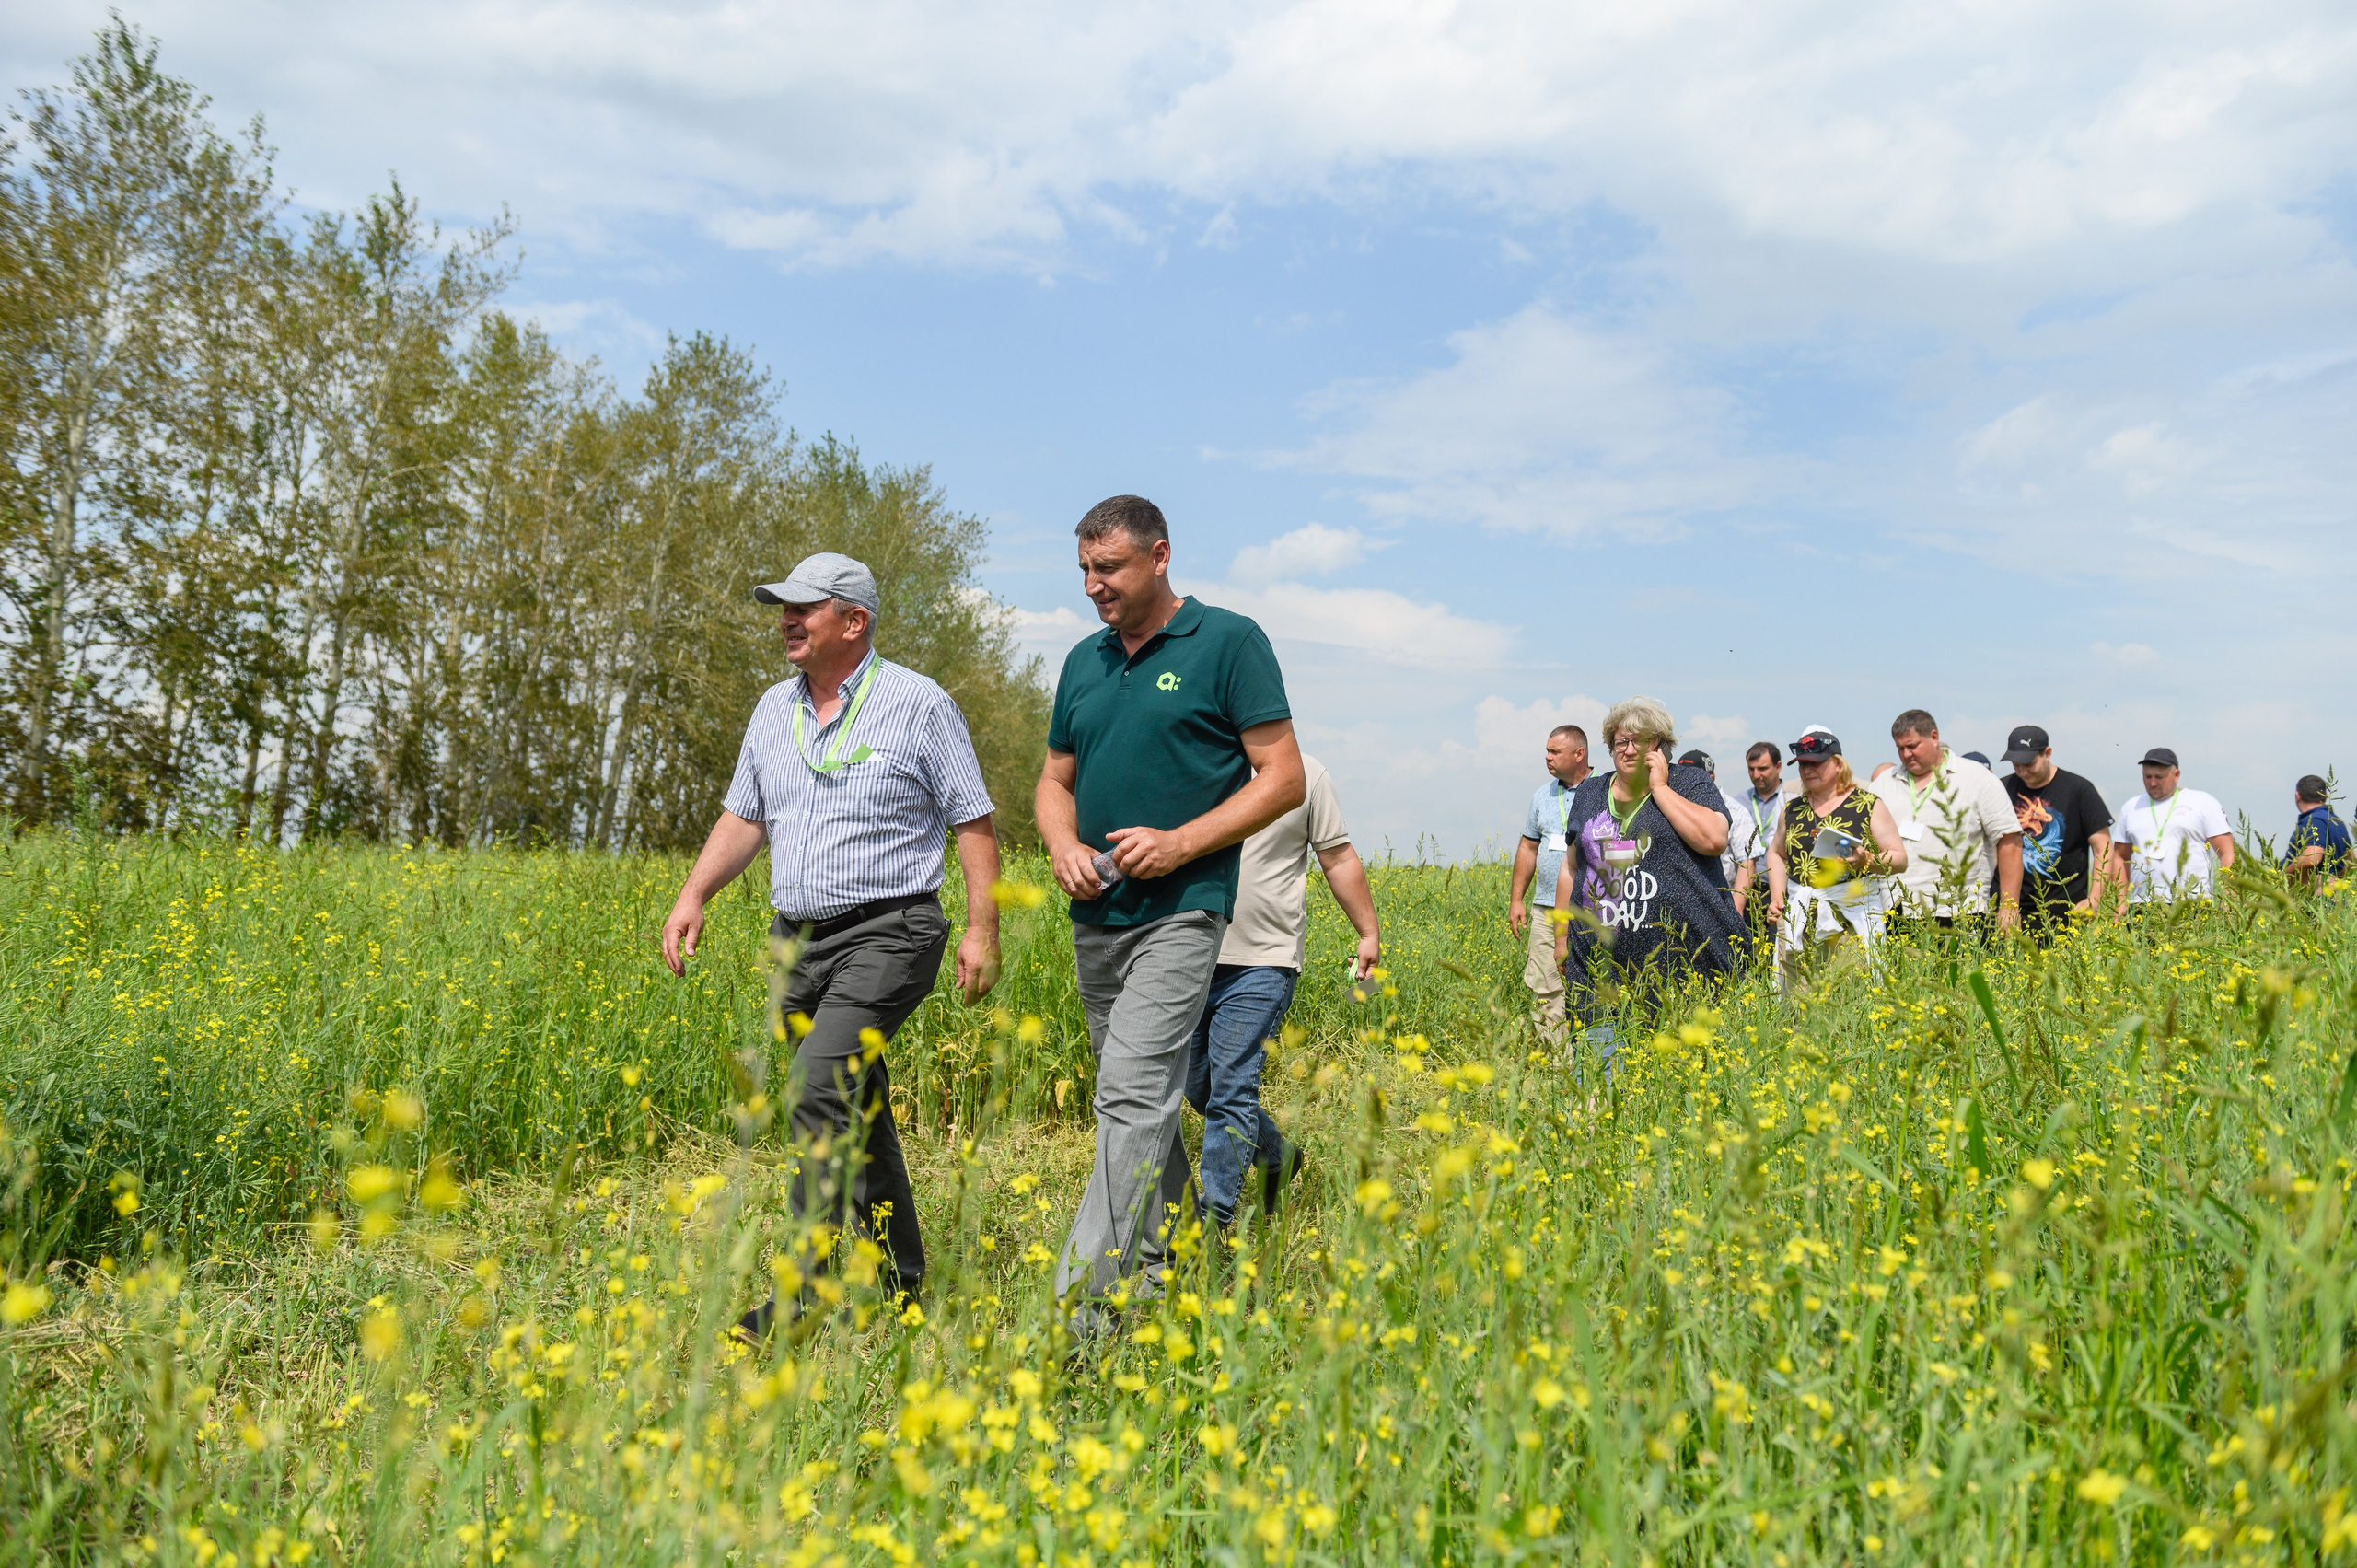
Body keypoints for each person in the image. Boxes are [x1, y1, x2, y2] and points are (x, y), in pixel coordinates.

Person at [658, 552, 1002, 1337]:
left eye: (803, 607)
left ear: (854, 621)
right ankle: (902, 1279)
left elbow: (973, 820)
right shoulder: (771, 711)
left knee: (817, 1089)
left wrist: (981, 930)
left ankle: (800, 1294)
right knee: (858, 1109)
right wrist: (694, 893)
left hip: (893, 930)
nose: (786, 618)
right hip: (798, 942)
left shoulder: (918, 703)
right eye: (781, 605)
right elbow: (747, 817)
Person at [1037, 495, 1306, 1322]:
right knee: (1141, 1100)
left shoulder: (1229, 641)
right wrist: (1061, 848)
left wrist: (1182, 844)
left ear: (1159, 556)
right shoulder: (1084, 660)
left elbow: (1282, 776)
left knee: (1128, 1094)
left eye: (1108, 567)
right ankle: (1182, 1259)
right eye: (1084, 569)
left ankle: (1087, 1309)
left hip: (1184, 907)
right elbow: (1054, 782)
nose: (1093, 586)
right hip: (1097, 917)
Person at [1188, 753, 1378, 1231]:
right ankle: (1277, 1155)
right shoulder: (1192, 757)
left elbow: (1337, 857)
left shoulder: (1306, 775)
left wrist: (1368, 932)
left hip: (1263, 959)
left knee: (1232, 1088)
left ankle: (1212, 1226)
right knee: (1196, 1087)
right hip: (1188, 951)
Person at [1551, 698, 1741, 1073]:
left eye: (1640, 741)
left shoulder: (1689, 782)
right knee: (1600, 1084)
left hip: (1684, 973)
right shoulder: (1590, 793)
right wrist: (1561, 937)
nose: (1629, 749)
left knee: (1675, 1089)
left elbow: (1714, 839)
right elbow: (1571, 867)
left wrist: (1660, 788)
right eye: (1621, 742)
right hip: (1598, 972)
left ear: (1660, 745)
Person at [1765, 726, 1909, 986]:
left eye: (1815, 763)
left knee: (1850, 996)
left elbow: (1899, 858)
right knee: (1796, 1000)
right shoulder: (1792, 809)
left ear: (1838, 765)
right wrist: (1777, 897)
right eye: (1802, 764)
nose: (1807, 770)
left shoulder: (1867, 804)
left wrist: (1869, 861)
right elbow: (1776, 853)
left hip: (1851, 916)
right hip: (1801, 914)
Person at [1871, 709, 2023, 937]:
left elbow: (2009, 839)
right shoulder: (1884, 783)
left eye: (1912, 746)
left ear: (1934, 737)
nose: (1906, 754)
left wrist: (2009, 906)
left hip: (1961, 909)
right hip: (1895, 910)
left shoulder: (1977, 778)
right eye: (1900, 748)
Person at [1507, 726, 1591, 1042]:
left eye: (1555, 752)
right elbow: (1528, 847)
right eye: (1547, 751)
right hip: (1545, 908)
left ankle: (1596, 1062)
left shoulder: (1604, 789)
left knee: (1593, 984)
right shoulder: (1542, 796)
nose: (1547, 757)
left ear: (1579, 754)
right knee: (1545, 987)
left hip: (1591, 908)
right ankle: (1559, 1069)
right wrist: (1517, 900)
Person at [1999, 725, 2113, 935]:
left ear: (2048, 754)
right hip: (2011, 913)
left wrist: (2095, 899)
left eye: (2029, 764)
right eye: (2016, 765)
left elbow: (2103, 848)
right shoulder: (2001, 789)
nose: (2022, 772)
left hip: (2066, 914)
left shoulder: (2079, 790)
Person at [2108, 748, 2235, 908]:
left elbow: (2227, 852)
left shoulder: (2202, 802)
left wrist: (2227, 898)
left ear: (2176, 775)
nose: (2153, 783)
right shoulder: (2131, 807)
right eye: (2148, 777)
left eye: (2159, 777)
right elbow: (2120, 857)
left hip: (2191, 902)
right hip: (2141, 904)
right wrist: (2120, 902)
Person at [1678, 749, 1758, 906]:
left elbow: (1747, 862)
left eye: (1693, 778)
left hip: (1723, 900)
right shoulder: (1672, 808)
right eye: (1681, 777)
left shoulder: (1736, 812)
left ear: (1710, 778)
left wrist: (1737, 908)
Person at [1736, 743, 1787, 930]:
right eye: (1751, 769)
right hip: (1748, 892)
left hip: (1781, 891)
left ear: (1778, 766)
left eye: (1763, 769)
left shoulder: (1790, 799)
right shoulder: (1738, 803)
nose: (1756, 775)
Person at [2284, 776, 2352, 882]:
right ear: (2326, 796)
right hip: (2329, 894)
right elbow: (2350, 860)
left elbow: (2311, 858)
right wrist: (2333, 881)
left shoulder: (2315, 820)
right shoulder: (2336, 821)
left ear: (2298, 796)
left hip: (2311, 895)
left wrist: (2281, 877)